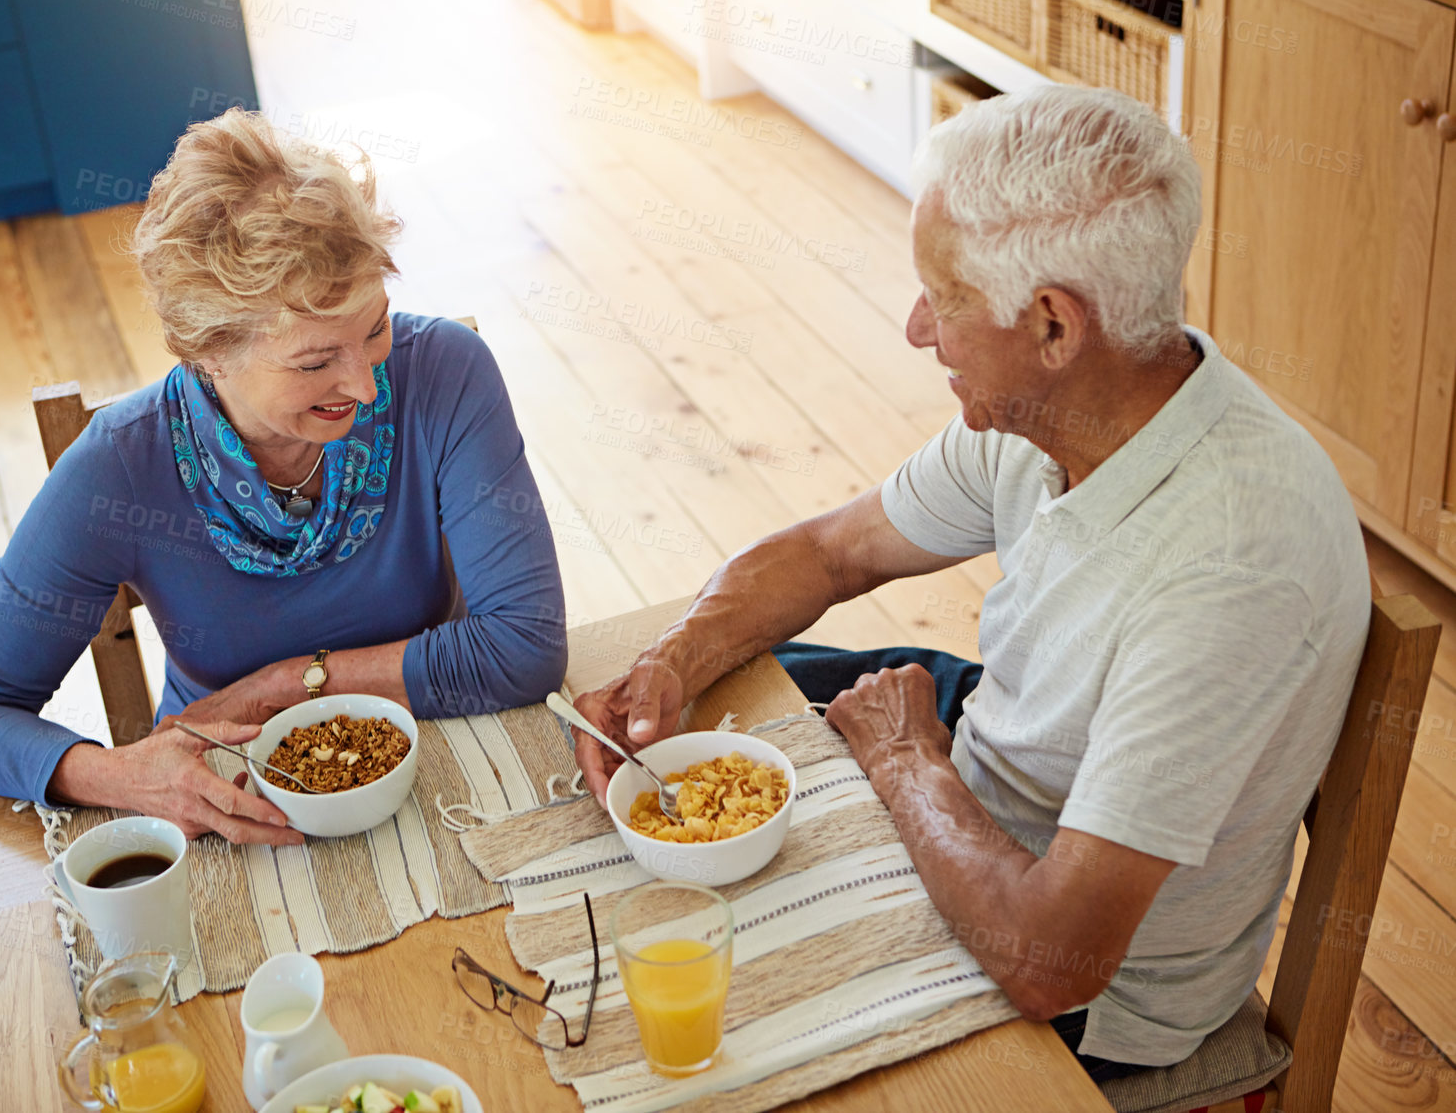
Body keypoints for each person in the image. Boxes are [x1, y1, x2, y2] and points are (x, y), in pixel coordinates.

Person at [570, 85, 1371, 1078]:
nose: (916, 328)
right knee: (729, 680)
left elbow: (1053, 962)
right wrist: (673, 657)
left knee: (737, 1021)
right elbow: (830, 551)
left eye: (941, 299)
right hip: (998, 752)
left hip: (1090, 987)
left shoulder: (1233, 569)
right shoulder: (1061, 409)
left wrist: (907, 762)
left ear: (1052, 325)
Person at [0, 109, 567, 845]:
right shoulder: (119, 467)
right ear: (209, 354)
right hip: (226, 805)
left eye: (375, 328)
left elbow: (525, 649)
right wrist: (119, 772)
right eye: (315, 362)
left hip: (437, 773)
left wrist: (281, 687)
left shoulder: (446, 371)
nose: (363, 386)